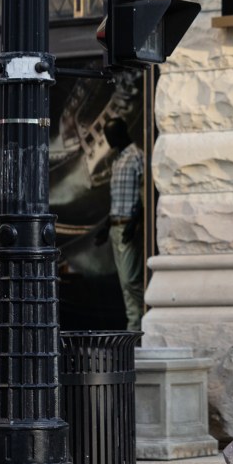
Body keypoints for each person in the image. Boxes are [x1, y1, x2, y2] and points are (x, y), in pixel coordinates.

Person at [94, 117, 145, 331]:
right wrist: (106, 227)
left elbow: (144, 195)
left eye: (110, 135)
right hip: (116, 226)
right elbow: (118, 200)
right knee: (125, 284)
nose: (107, 139)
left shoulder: (137, 157)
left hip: (128, 227)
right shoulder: (117, 161)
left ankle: (152, 316)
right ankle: (134, 327)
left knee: (131, 281)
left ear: (121, 133)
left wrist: (134, 223)